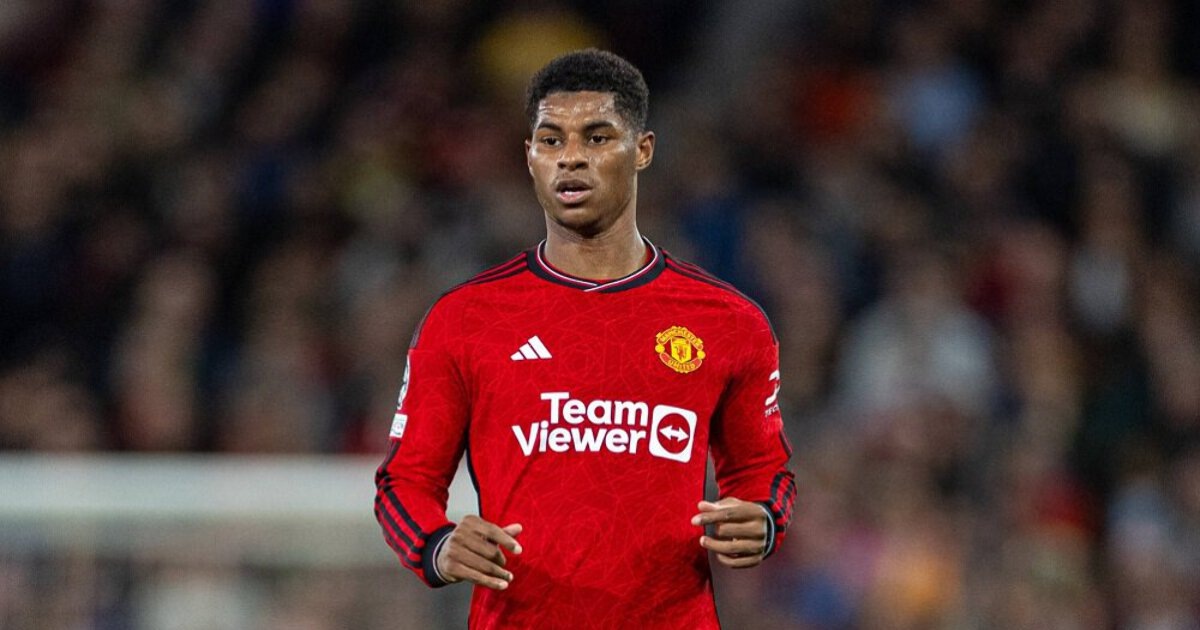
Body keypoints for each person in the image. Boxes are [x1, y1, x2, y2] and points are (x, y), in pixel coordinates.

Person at [374, 48, 796, 629]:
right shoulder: (464, 319)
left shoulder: (729, 322)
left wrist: (764, 520)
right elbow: (404, 481)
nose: (571, 157)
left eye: (597, 138)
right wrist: (437, 545)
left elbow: (764, 469)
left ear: (643, 150)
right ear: (529, 155)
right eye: (552, 140)